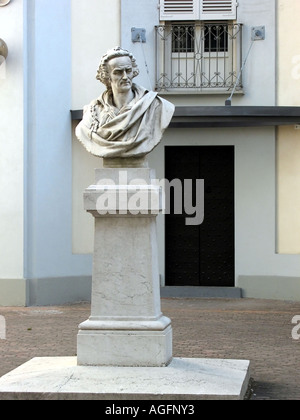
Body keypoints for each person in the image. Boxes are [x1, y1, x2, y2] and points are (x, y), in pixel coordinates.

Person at [75, 47, 175, 160]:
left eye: (128, 71)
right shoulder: (92, 112)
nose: (125, 77)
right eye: (118, 72)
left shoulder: (156, 105)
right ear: (107, 76)